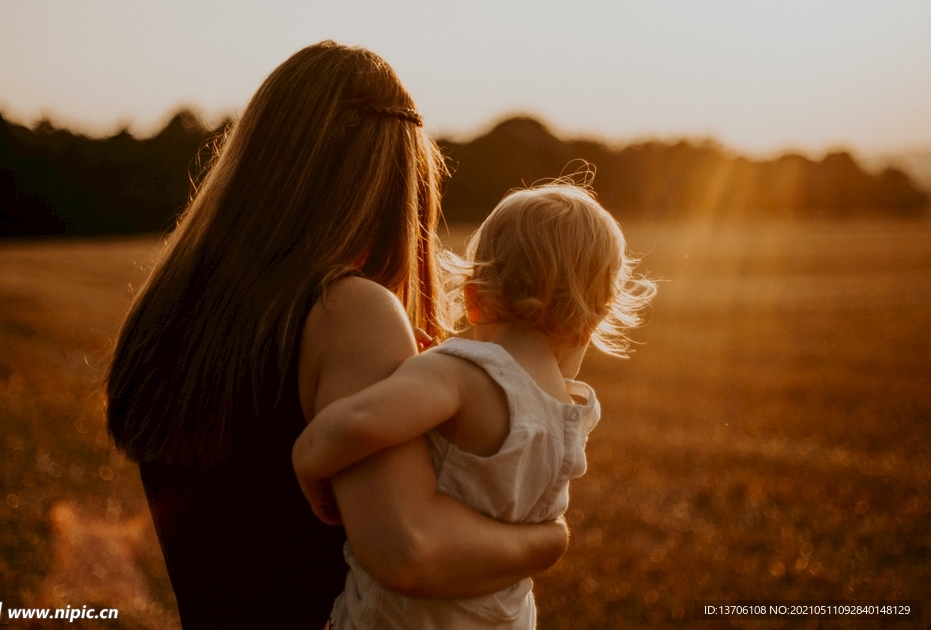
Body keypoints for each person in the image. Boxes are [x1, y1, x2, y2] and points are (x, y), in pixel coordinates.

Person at [105, 42, 569, 629]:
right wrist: (546, 542)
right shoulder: (349, 312)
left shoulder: (169, 313)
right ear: (398, 185)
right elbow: (410, 550)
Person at [293, 182, 657, 629]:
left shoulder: (460, 375)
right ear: (591, 323)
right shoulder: (571, 416)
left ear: (473, 298)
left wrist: (307, 460)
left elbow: (362, 419)